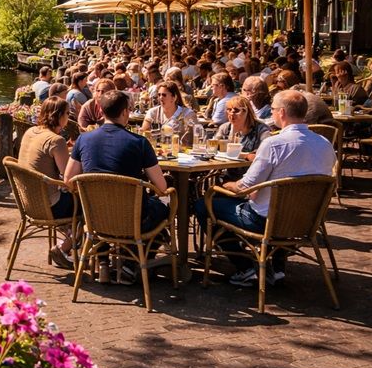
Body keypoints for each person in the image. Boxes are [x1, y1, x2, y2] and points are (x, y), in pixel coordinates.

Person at [196, 90, 336, 286]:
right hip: (308, 219)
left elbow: (244, 186)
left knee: (203, 204)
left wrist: (225, 186)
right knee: (271, 201)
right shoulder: (325, 144)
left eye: (272, 110)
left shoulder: (274, 144)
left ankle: (244, 266)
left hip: (265, 221)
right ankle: (277, 267)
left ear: (281, 113)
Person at [65, 91, 170, 284]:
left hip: (95, 218)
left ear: (100, 111)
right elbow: (162, 187)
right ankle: (132, 263)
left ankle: (115, 263)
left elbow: (69, 179)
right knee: (164, 207)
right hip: (133, 221)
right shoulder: (140, 143)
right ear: (124, 113)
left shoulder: (84, 140)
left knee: (147, 207)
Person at [17, 98, 76, 270]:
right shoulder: (56, 141)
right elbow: (69, 179)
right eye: (67, 113)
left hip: (27, 202)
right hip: (49, 205)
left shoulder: (30, 132)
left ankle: (70, 237)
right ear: (58, 116)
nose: (69, 117)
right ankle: (65, 247)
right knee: (89, 204)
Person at [212, 96, 272, 178]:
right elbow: (213, 147)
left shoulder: (261, 129)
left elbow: (265, 155)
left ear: (247, 111)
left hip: (251, 176)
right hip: (227, 173)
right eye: (229, 109)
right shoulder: (225, 128)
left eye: (236, 110)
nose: (232, 113)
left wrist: (243, 155)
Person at [142, 81, 198, 145]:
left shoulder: (188, 114)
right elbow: (144, 134)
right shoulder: (153, 112)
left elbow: (196, 137)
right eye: (159, 94)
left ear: (174, 98)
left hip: (181, 152)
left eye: (164, 95)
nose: (160, 98)